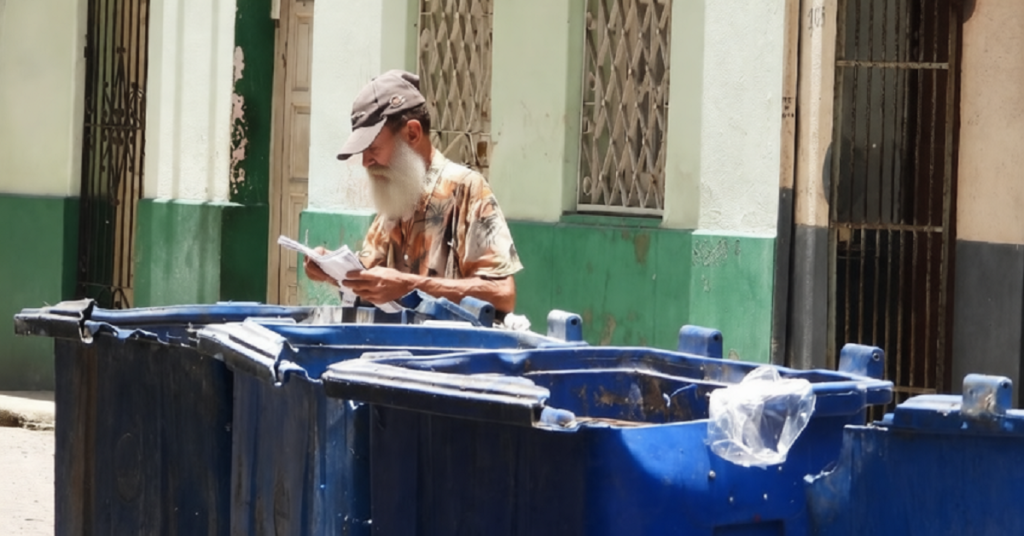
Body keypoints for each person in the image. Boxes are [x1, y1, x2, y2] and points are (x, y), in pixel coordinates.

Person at [304, 70, 523, 316]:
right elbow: (373, 280)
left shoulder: (467, 189)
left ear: (412, 134)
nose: (366, 161)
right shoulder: (394, 198)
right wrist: (331, 269)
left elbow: (503, 294)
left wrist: (409, 286)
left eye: (373, 148)